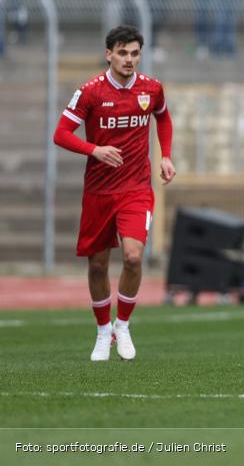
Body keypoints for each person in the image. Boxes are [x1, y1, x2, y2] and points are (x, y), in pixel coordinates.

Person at [52, 26, 176, 361]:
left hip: (136, 188)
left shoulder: (151, 88)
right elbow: (61, 134)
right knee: (97, 266)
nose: (129, 60)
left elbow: (163, 118)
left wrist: (165, 154)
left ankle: (123, 324)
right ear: (109, 54)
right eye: (123, 53)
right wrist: (94, 150)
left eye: (135, 53)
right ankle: (102, 330)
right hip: (98, 191)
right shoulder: (90, 91)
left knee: (134, 257)